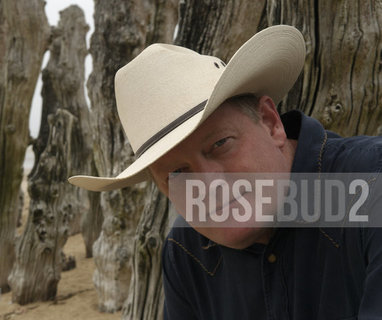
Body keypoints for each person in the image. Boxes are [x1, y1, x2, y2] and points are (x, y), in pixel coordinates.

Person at [69, 25, 382, 319]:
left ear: (271, 122)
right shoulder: (186, 251)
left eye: (220, 144)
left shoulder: (370, 189)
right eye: (178, 171)